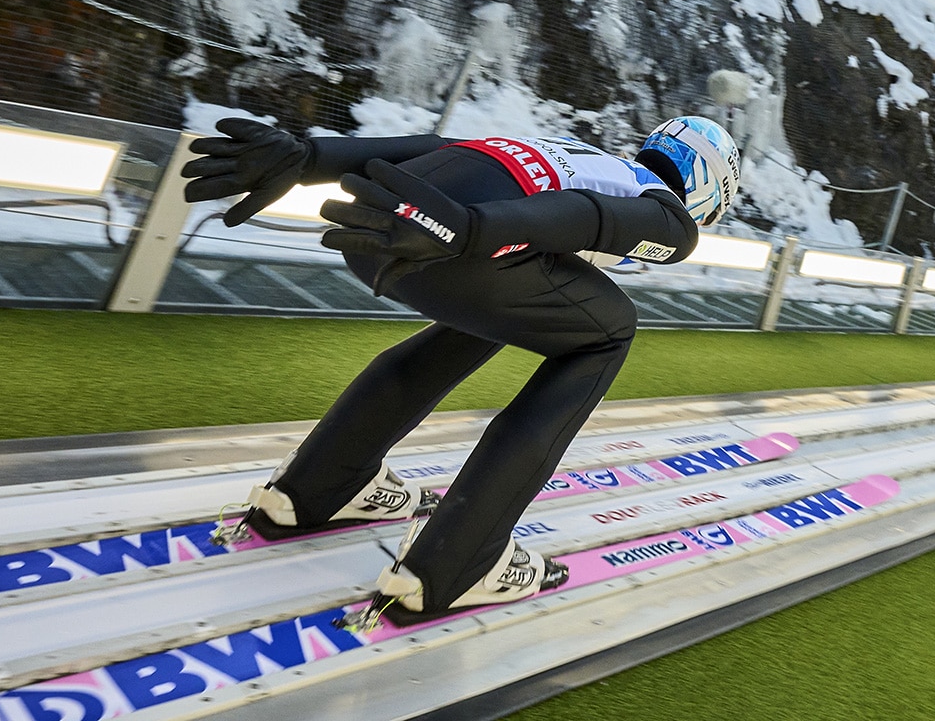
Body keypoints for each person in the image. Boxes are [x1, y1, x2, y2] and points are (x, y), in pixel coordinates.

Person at [180, 115, 738, 627]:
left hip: (381, 229)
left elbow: (436, 149)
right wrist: (469, 230)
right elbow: (596, 220)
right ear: (709, 188)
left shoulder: (581, 154)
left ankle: (317, 487)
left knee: (502, 309)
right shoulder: (669, 215)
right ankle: (460, 562)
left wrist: (309, 158)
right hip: (454, 240)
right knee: (607, 334)